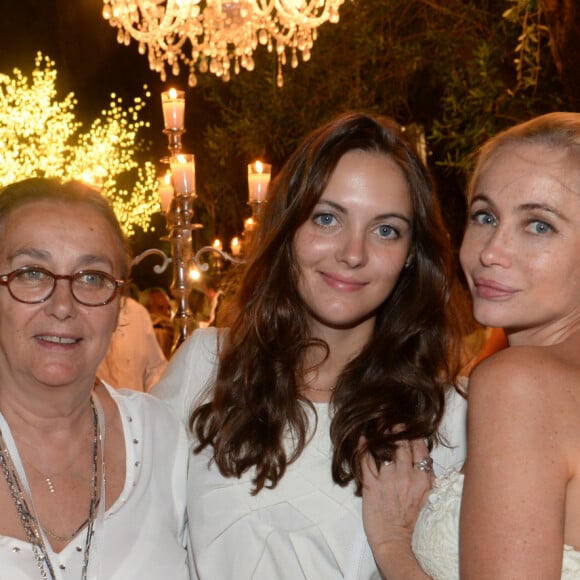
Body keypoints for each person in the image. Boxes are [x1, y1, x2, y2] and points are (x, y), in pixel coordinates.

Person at [152, 112, 469, 579]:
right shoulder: (206, 366)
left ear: (410, 257)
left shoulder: (449, 418)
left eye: (386, 230)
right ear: (288, 230)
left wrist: (394, 547)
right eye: (327, 218)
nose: (353, 252)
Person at [361, 112, 580, 579]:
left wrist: (393, 543)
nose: (490, 251)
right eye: (485, 216)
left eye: (539, 225)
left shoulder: (518, 382)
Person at [0, 178, 190, 579]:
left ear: (121, 305)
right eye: (32, 273)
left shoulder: (165, 439)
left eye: (92, 278)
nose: (63, 306)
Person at [98, 296, 168, 391]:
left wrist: (151, 400)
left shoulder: (138, 312)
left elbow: (155, 369)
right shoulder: (80, 310)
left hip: (134, 403)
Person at [139, 287, 176, 358]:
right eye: (160, 308)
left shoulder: (171, 332)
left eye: (169, 308)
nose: (167, 313)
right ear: (146, 310)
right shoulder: (159, 330)